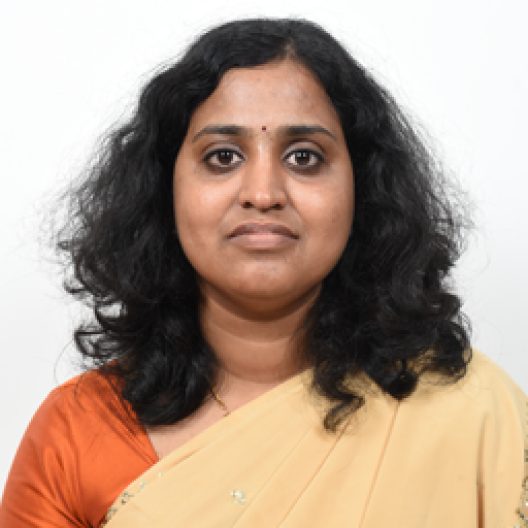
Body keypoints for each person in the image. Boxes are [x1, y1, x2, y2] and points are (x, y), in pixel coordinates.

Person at [1, 17, 526, 528]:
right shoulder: (78, 433)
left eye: (304, 158)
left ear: (362, 191)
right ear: (164, 190)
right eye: (222, 157)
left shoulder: (473, 415)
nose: (263, 193)